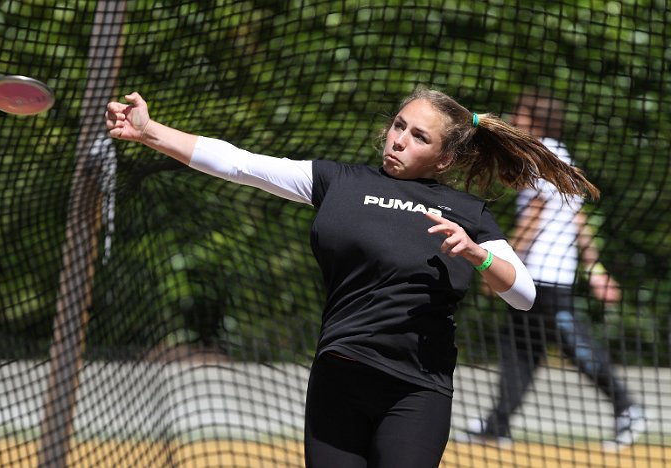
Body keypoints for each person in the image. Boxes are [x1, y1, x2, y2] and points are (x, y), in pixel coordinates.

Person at [105, 86, 597, 467]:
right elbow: (239, 164)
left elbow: (525, 295)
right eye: (398, 126)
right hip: (339, 376)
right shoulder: (340, 183)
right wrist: (150, 131)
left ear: (445, 159)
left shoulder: (466, 212)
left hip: (416, 390)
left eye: (418, 136)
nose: (399, 139)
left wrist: (476, 254)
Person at [464, 91, 646, 449]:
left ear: (536, 119)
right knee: (520, 351)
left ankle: (628, 409)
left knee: (577, 348)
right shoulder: (559, 156)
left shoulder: (536, 157)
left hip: (545, 278)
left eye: (520, 112)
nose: (514, 117)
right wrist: (596, 269)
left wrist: (501, 267)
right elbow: (578, 219)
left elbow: (535, 216)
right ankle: (497, 424)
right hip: (544, 277)